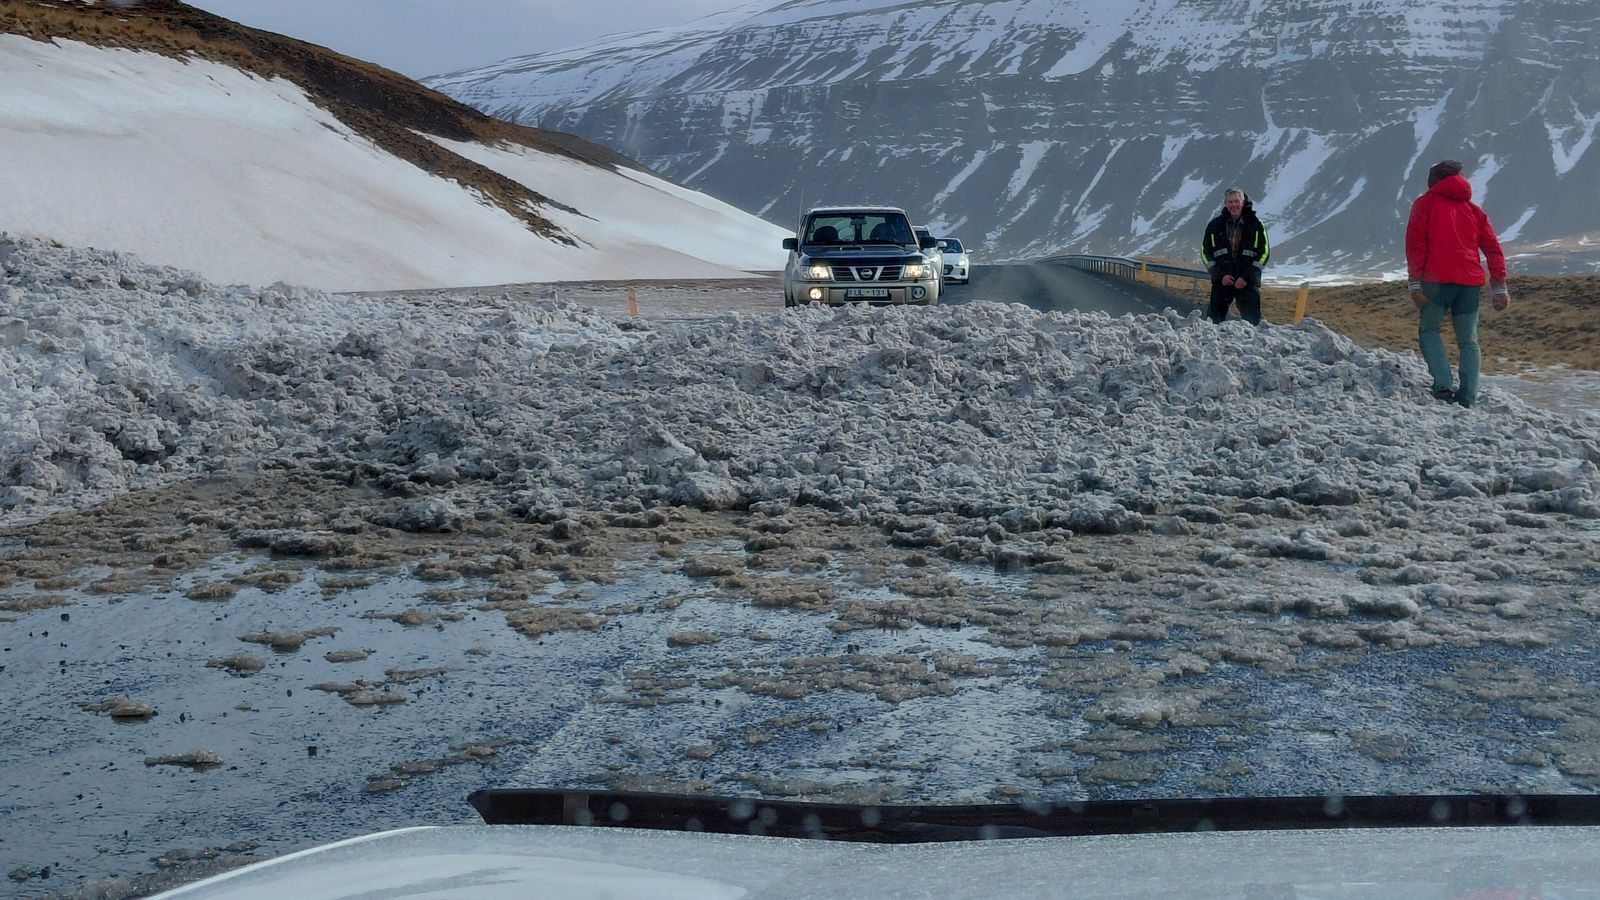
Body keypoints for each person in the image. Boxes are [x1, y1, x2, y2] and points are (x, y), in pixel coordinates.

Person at [1405, 159, 1510, 408]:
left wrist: (1414, 282)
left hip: (1436, 282)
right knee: (1469, 340)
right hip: (1470, 283)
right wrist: (1499, 285)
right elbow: (1493, 249)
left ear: (1435, 181)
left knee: (1429, 330)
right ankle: (1468, 397)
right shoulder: (1473, 210)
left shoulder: (1425, 204)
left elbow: (1416, 245)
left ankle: (1442, 386)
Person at [1201, 188, 1271, 325]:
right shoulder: (1214, 225)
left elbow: (1264, 253)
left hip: (1246, 282)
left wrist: (1247, 277)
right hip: (1222, 281)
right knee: (1212, 323)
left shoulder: (1256, 225)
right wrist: (1220, 276)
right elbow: (1205, 252)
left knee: (1252, 324)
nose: (1234, 205)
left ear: (1243, 202)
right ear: (1225, 203)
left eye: (1236, 201)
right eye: (1230, 202)